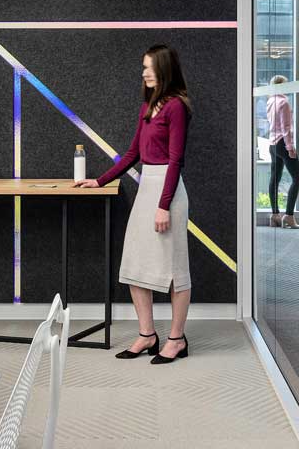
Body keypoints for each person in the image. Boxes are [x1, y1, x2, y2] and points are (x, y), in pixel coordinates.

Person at [75, 44, 193, 364]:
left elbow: (175, 160)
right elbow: (132, 155)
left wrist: (163, 206)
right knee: (134, 265)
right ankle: (147, 335)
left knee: (175, 269)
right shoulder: (148, 106)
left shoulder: (176, 107)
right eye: (143, 67)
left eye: (149, 67)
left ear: (164, 69)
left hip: (167, 193)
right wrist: (99, 181)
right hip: (147, 191)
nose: (143, 73)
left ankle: (176, 339)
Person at [266, 76, 299, 229]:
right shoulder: (284, 102)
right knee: (297, 178)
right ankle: (289, 216)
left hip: (272, 144)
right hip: (282, 143)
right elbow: (286, 128)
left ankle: (275, 215)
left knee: (275, 179)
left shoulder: (270, 101)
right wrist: (290, 148)